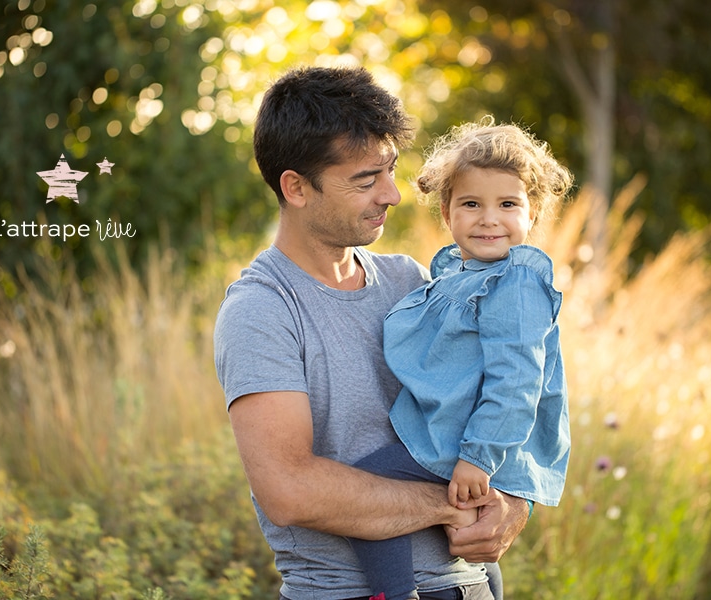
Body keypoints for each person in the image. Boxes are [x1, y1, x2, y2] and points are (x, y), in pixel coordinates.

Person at [214, 65, 531, 600]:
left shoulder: (412, 281)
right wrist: (450, 503)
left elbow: (492, 393)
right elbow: (289, 490)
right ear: (295, 187)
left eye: (389, 170)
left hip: (470, 586)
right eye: (365, 180)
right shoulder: (262, 311)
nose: (393, 194)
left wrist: (511, 503)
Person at [348, 118, 573, 600]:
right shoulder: (457, 273)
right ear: (447, 214)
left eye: (508, 204)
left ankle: (391, 594)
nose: (489, 218)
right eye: (471, 204)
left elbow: (516, 382)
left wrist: (478, 457)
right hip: (462, 440)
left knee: (368, 485)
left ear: (532, 214)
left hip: (472, 445)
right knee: (471, 545)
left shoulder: (515, 283)